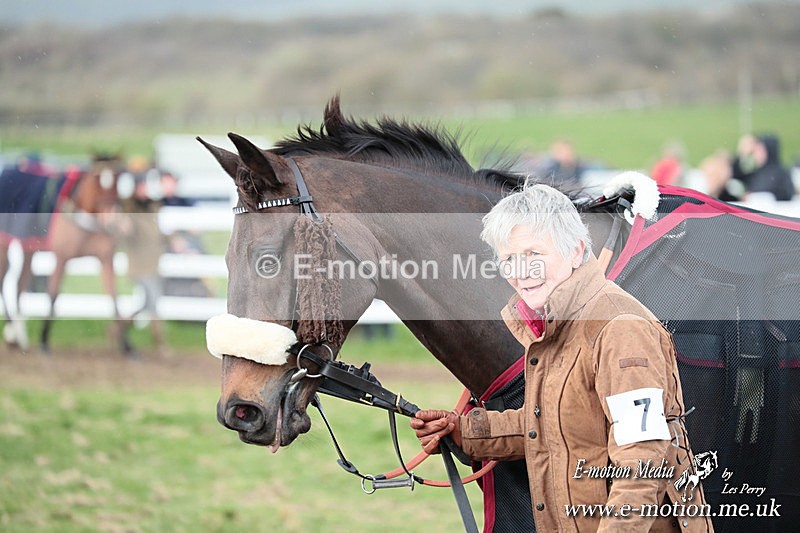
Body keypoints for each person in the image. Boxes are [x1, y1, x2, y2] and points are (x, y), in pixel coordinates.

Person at [411, 183, 713, 531]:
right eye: (509, 260)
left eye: (534, 254)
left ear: (575, 251)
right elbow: (554, 424)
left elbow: (641, 459)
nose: (520, 272)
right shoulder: (558, 323)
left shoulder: (619, 327)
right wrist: (464, 431)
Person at [121, 174, 165, 350]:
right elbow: (125, 236)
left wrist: (174, 239)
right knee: (153, 303)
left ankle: (118, 328)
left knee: (146, 304)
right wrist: (125, 229)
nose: (144, 189)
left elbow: (156, 233)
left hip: (153, 263)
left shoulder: (152, 207)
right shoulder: (128, 211)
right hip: (139, 265)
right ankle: (160, 344)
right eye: (141, 186)